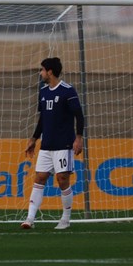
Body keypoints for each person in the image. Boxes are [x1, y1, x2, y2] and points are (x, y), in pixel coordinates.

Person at [21, 57, 84, 230]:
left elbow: (79, 115)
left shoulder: (67, 91)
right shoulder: (43, 91)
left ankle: (65, 218)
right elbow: (43, 119)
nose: (40, 73)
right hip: (46, 145)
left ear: (50, 72)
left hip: (64, 145)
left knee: (62, 179)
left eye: (42, 70)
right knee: (39, 177)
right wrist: (34, 139)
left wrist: (78, 138)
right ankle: (30, 218)